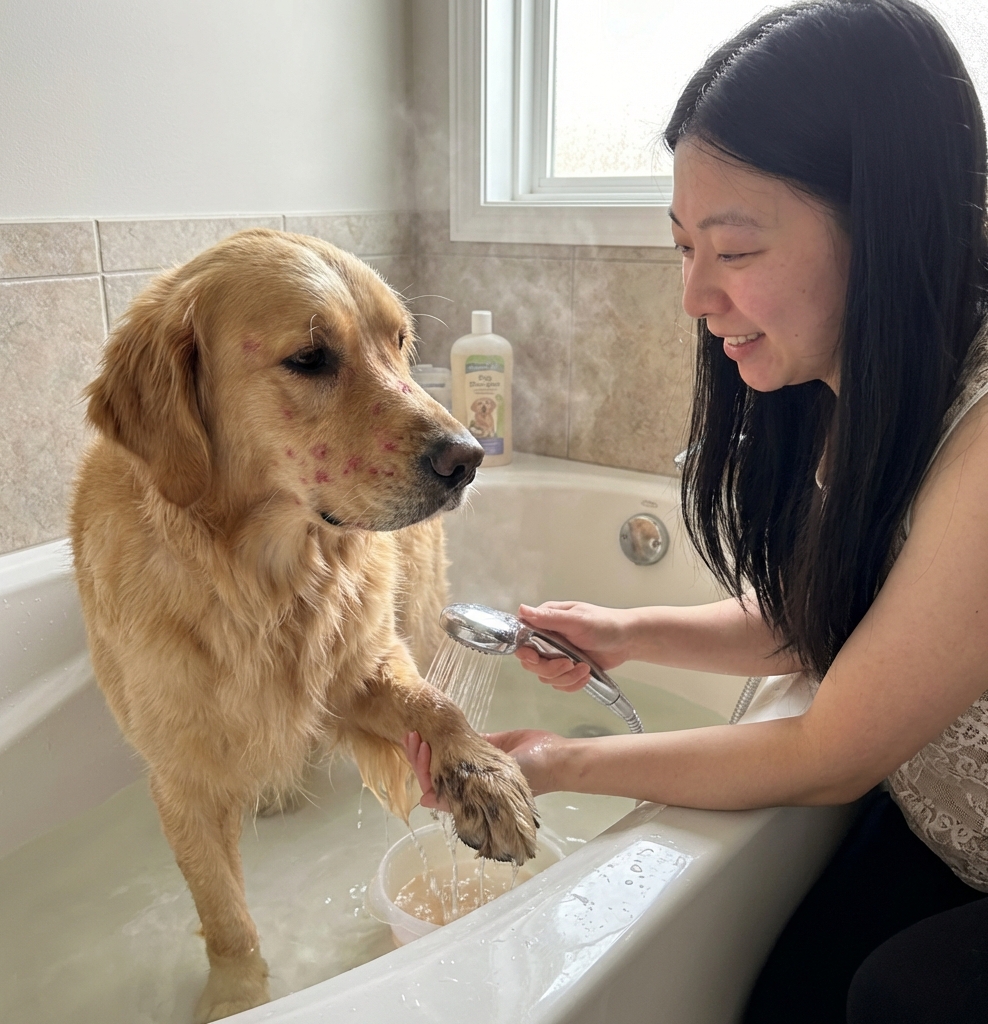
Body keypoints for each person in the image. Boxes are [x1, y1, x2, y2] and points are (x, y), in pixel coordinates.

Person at [406, 0, 988, 1019]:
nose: (694, 298)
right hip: (944, 827)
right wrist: (625, 630)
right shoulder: (858, 393)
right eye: (683, 247)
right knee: (784, 994)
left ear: (887, 222)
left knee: (897, 997)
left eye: (736, 250)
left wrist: (557, 762)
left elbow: (828, 746)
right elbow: (833, 618)